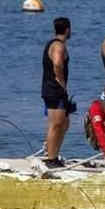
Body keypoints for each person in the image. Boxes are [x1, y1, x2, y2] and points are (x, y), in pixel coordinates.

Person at [41, 17, 73, 168]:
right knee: (56, 124)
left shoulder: (52, 44)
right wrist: (61, 82)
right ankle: (51, 158)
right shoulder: (58, 46)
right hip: (54, 90)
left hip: (54, 90)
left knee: (65, 123)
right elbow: (57, 63)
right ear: (67, 30)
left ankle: (54, 153)